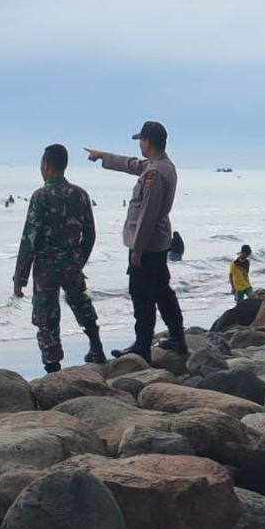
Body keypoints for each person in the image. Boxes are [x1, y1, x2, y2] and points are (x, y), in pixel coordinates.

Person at [85, 121, 185, 361]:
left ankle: (142, 346)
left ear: (148, 142)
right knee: (162, 293)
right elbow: (133, 164)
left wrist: (137, 250)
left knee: (142, 295)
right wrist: (104, 157)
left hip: (147, 245)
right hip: (158, 242)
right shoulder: (162, 166)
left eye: (141, 140)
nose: (140, 144)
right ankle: (178, 339)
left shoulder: (155, 173)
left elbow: (147, 215)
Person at [13, 143, 105, 371]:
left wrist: (19, 278)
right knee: (80, 301)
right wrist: (79, 260)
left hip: (46, 267)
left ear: (46, 165)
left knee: (46, 317)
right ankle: (96, 348)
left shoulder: (41, 196)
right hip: (72, 262)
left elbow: (29, 239)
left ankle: (53, 367)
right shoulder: (80, 194)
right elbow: (90, 233)